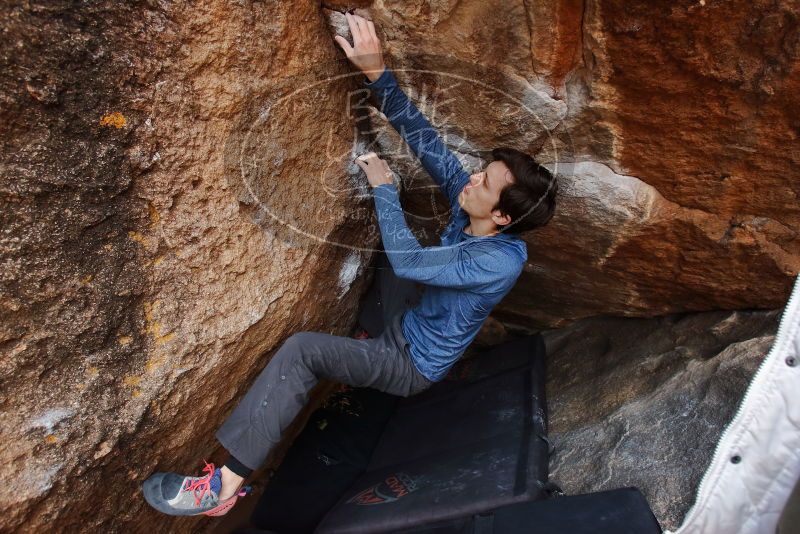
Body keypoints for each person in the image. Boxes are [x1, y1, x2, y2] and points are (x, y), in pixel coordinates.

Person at [141, 11, 557, 517]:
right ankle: (363, 339)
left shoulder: (499, 262)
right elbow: (426, 142)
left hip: (409, 362)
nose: (470, 178)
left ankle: (224, 486)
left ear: (502, 216)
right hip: (409, 315)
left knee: (303, 351)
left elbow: (409, 262)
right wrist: (376, 71)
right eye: (480, 172)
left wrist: (385, 189)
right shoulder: (476, 207)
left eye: (483, 182)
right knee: (392, 248)